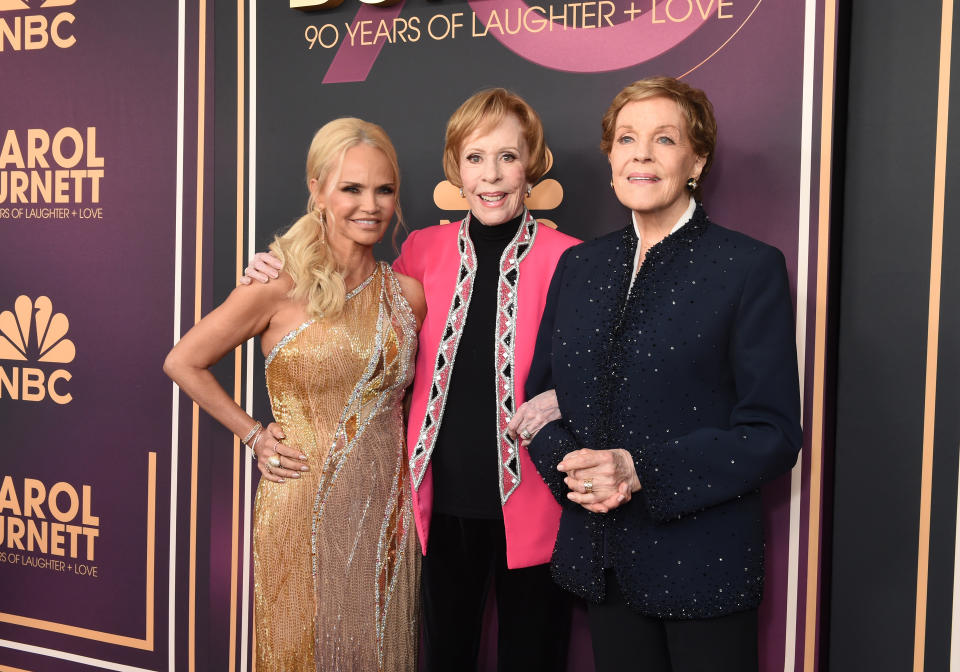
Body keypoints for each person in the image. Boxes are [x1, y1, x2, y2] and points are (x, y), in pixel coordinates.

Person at [244, 89, 579, 671]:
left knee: (535, 657)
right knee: (444, 656)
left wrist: (560, 399)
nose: (491, 175)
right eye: (475, 158)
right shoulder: (421, 250)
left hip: (538, 505)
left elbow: (604, 375)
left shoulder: (572, 258)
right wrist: (272, 267)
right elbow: (349, 318)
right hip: (434, 507)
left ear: (532, 166)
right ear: (456, 169)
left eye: (507, 156)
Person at [524, 77, 802, 672]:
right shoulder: (580, 265)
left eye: (664, 139)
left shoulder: (748, 268)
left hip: (706, 565)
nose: (641, 154)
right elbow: (539, 396)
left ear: (696, 159)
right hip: (604, 561)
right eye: (626, 139)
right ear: (611, 159)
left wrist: (638, 472)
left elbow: (773, 434)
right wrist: (576, 474)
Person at [165, 118, 426, 671]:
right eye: (351, 188)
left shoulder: (409, 295)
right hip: (300, 504)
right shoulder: (277, 285)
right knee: (300, 652)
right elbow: (183, 361)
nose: (371, 205)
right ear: (318, 191)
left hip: (389, 512)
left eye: (384, 190)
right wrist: (253, 435)